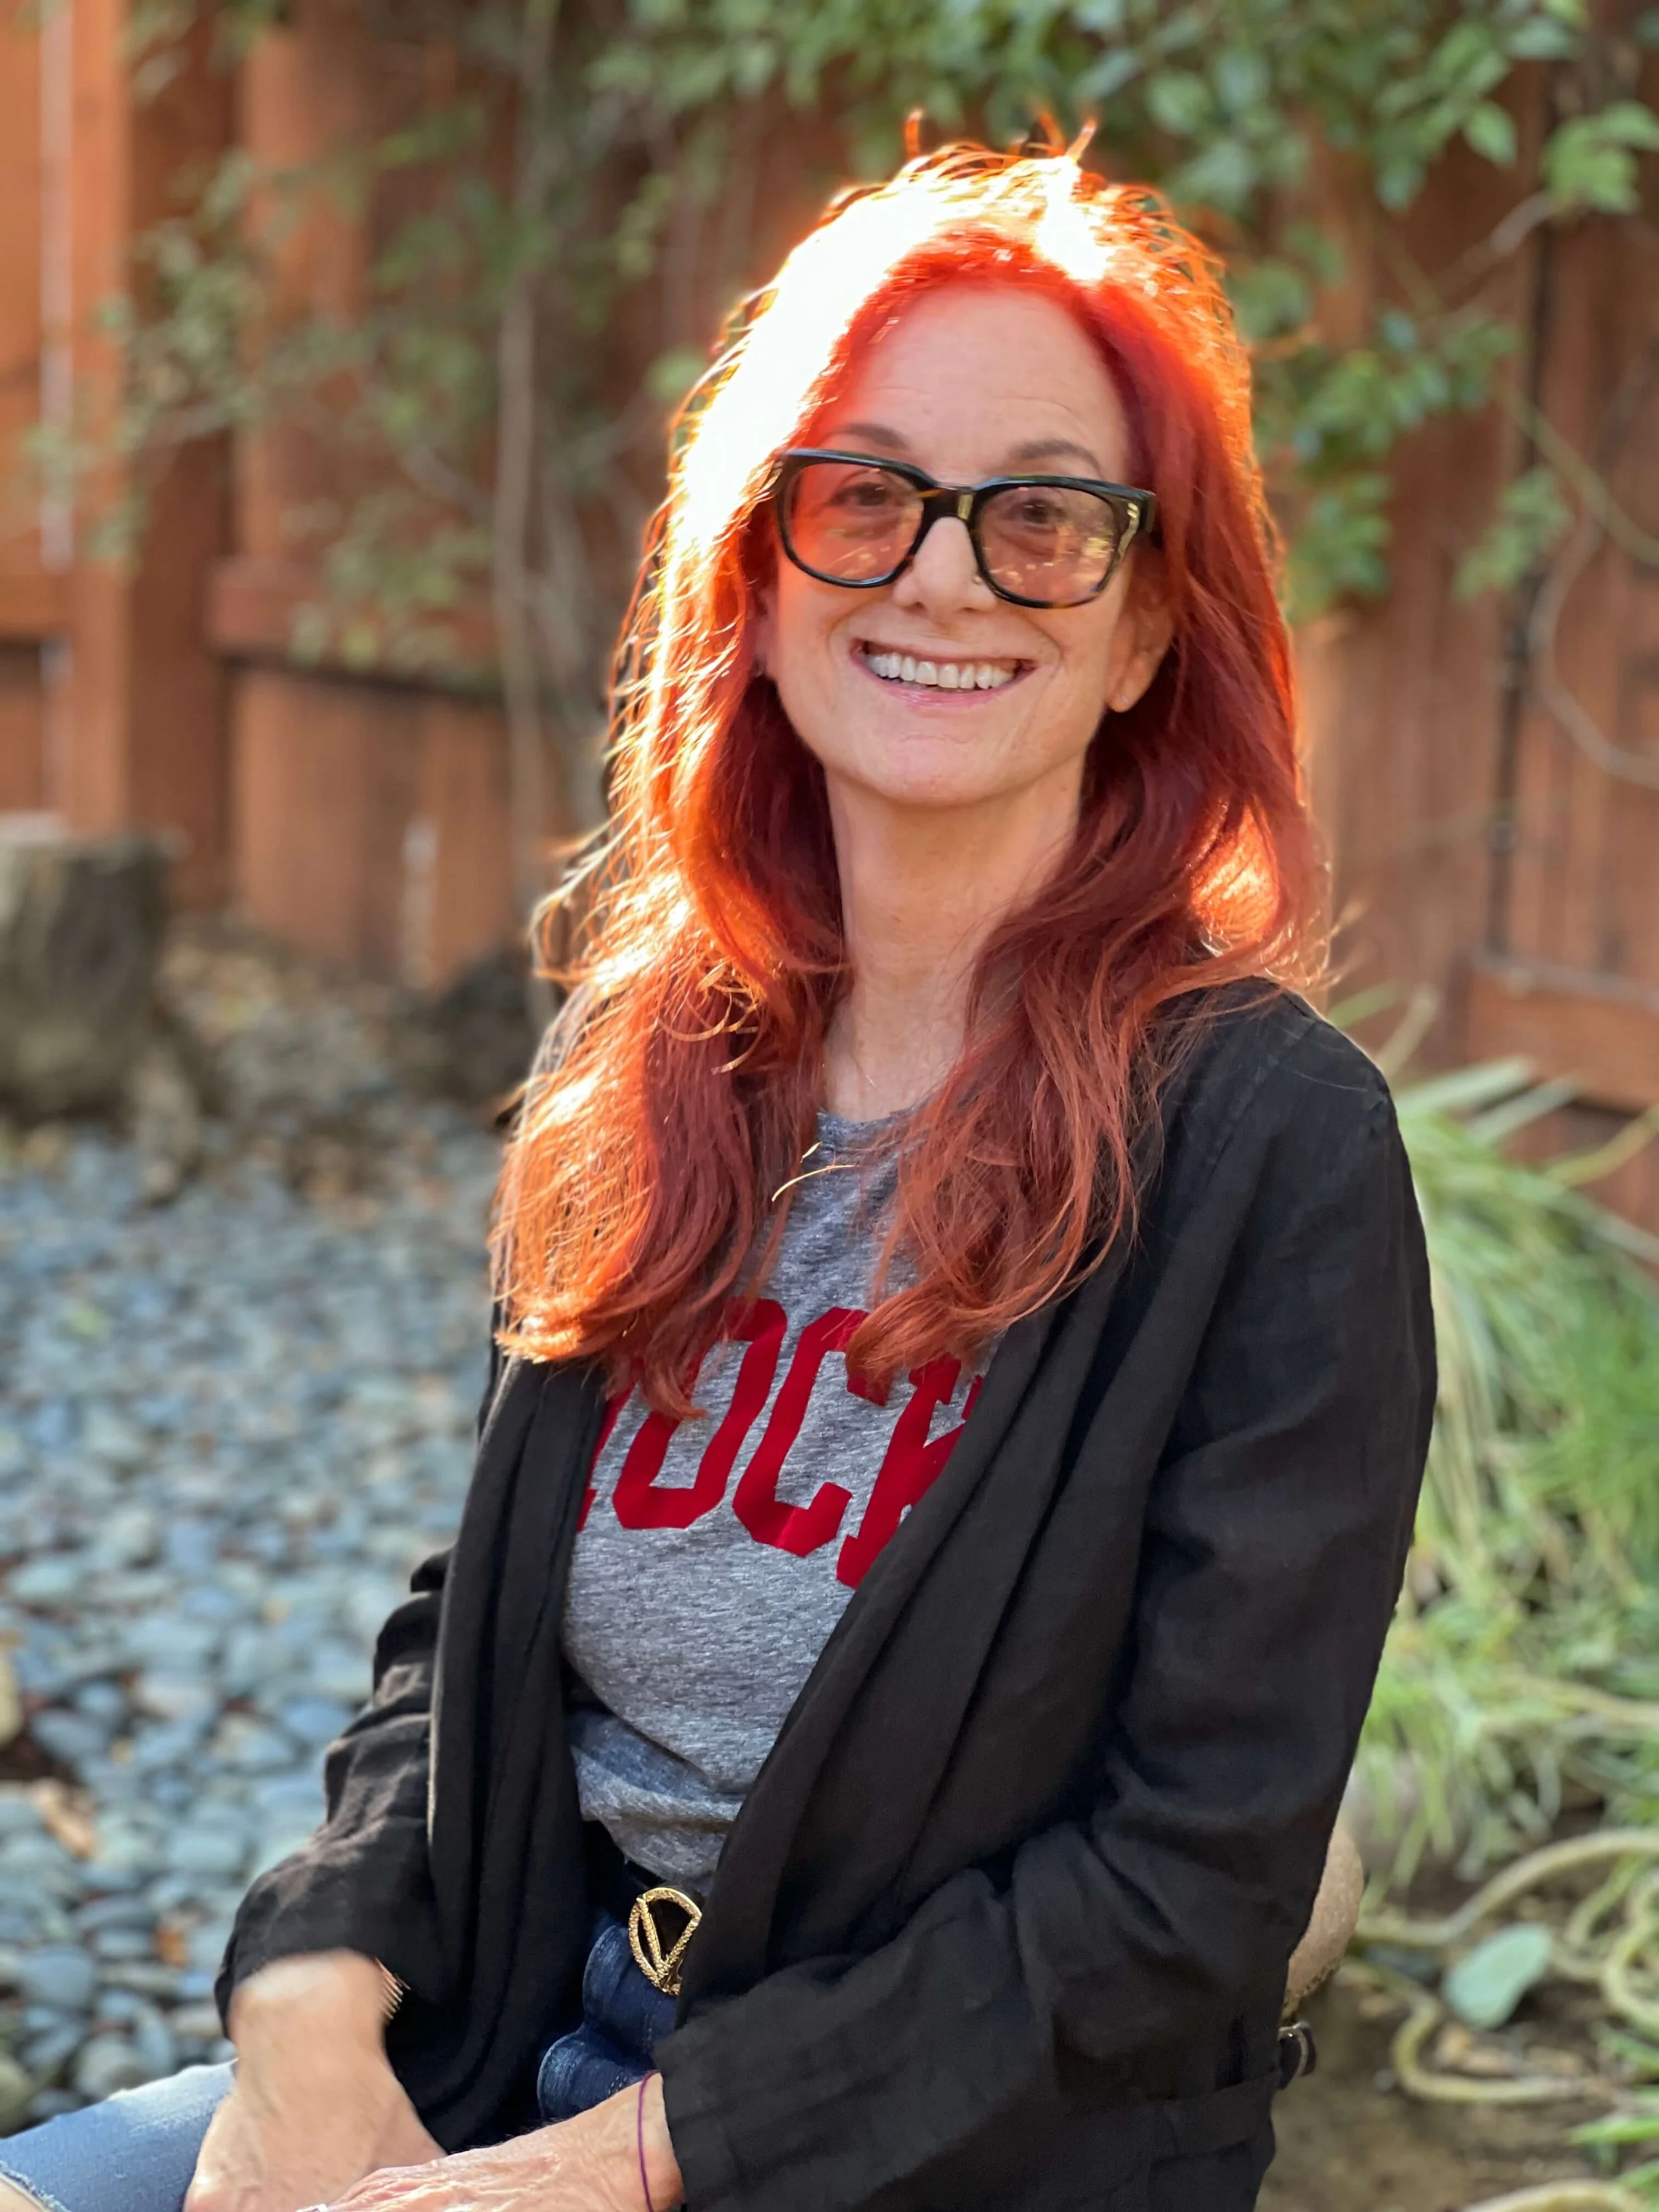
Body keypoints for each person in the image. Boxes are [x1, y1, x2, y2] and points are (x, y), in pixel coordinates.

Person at [0, 139, 1435, 2212]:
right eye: (864, 497)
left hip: (927, 2153)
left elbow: (1187, 1882)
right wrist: (307, 2000)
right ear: (755, 584)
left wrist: (612, 2167)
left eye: (1044, 518)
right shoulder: (657, 1056)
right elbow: (470, 1621)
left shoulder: (1269, 1147)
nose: (943, 573)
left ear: (1144, 632)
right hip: (514, 2028)